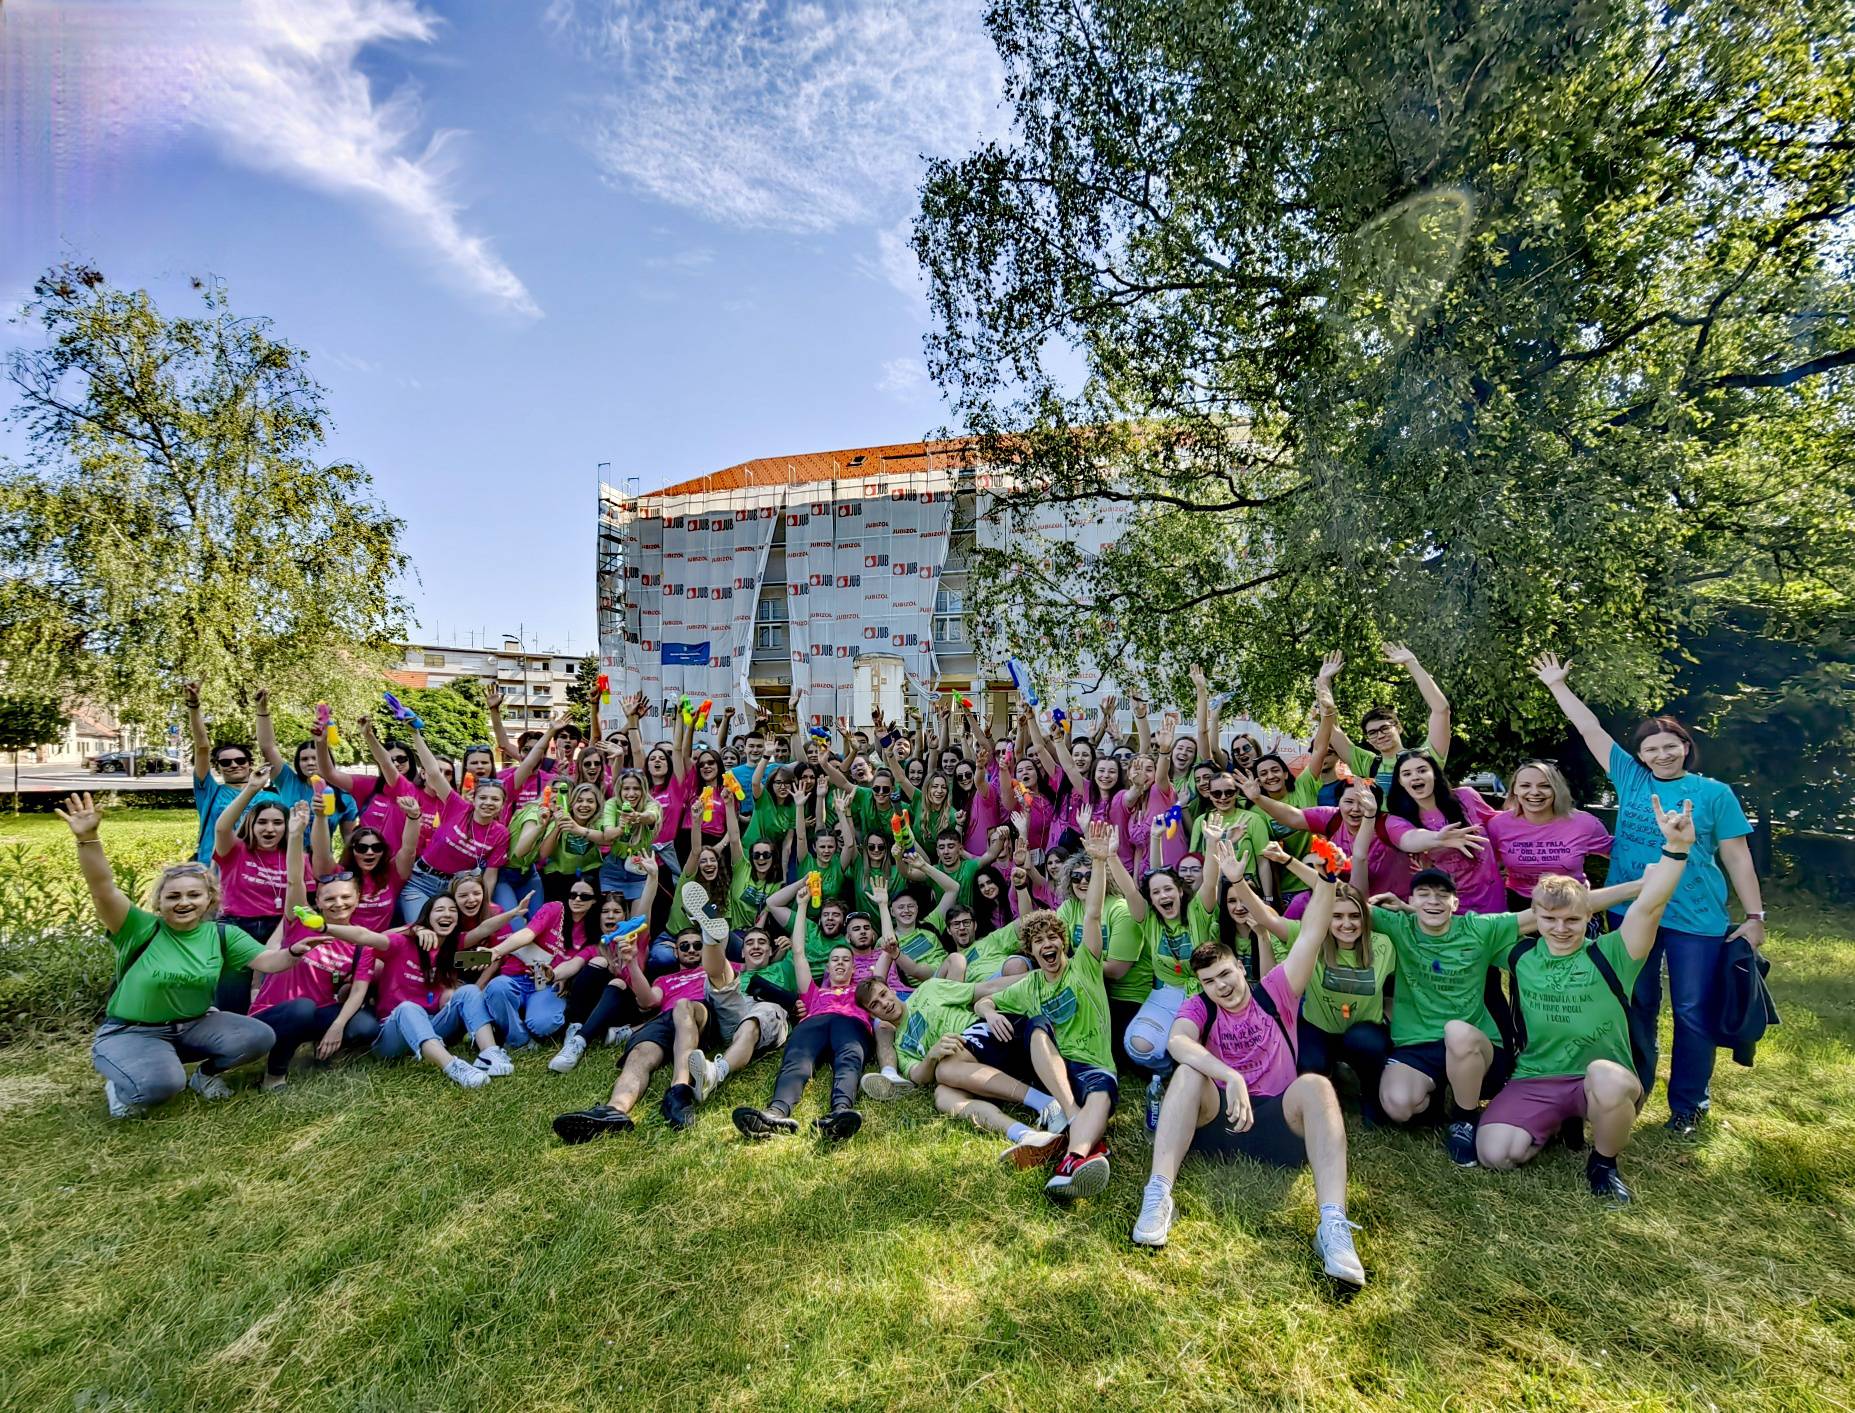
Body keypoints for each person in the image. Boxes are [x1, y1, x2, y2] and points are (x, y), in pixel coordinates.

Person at [1534, 654, 1766, 1136]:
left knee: (1692, 1010)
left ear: (1686, 747)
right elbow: (1590, 728)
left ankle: (1689, 1104)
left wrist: (1754, 916)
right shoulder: (1631, 778)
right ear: (1640, 756)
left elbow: (1737, 855)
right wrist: (1557, 685)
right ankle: (1632, 1093)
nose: (1661, 755)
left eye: (1670, 746)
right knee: (1636, 1004)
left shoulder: (1714, 793)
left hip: (1695, 918)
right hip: (1631, 911)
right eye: (1651, 748)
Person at [1130, 848, 1367, 1287]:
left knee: (1318, 1086)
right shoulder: (1200, 1006)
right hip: (1222, 1120)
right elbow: (1178, 1042)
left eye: (1225, 974)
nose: (1221, 986)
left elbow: (1312, 934)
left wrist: (1328, 880)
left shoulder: (1274, 991)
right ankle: (1158, 1193)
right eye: (1209, 981)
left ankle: (1333, 1225)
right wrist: (1229, 1075)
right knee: (1187, 1072)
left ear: (1240, 967)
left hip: (1278, 1123)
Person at [1477, 798, 1698, 1201]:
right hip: (1537, 1076)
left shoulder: (1612, 953)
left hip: (1600, 1080)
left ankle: (1603, 1163)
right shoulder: (1518, 954)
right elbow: (1469, 933)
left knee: (1605, 1079)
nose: (1560, 928)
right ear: (1535, 918)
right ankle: (1556, 1122)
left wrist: (1676, 849)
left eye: (1572, 919)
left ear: (1588, 916)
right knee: (1496, 1154)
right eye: (1549, 919)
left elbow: (1650, 906)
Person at [1370, 867, 1642, 1165]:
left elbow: (1561, 908)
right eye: (1423, 895)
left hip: (1471, 1045)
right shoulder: (1399, 926)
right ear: (1410, 900)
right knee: (1398, 1106)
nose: (1433, 901)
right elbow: (1349, 906)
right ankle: (1435, 1101)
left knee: (1457, 1032)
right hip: (1417, 1041)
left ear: (1456, 903)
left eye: (1442, 895)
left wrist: (1639, 887)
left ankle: (1465, 1119)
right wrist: (1340, 867)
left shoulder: (1480, 929)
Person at [61, 793, 310, 1117]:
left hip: (194, 1025)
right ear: (159, 901)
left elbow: (268, 961)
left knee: (258, 1036)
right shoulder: (137, 927)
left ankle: (204, 1076)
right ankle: (125, 1081)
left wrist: (293, 952)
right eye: (173, 896)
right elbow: (102, 888)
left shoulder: (221, 934)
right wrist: (88, 839)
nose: (184, 902)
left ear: (209, 900)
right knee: (161, 1086)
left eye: (194, 894)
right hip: (133, 1029)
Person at [975, 821, 1121, 1202]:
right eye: (1038, 941)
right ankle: (1075, 1120)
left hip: (1094, 1065)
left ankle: (1072, 1159)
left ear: (1063, 941)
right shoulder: (1030, 984)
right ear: (1032, 951)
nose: (1047, 945)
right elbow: (983, 1001)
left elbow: (1092, 915)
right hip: (1056, 1074)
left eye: (1053, 937)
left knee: (1102, 1096)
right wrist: (989, 1013)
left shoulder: (1085, 964)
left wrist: (1100, 861)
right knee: (1036, 1026)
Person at [247, 802, 384, 1088]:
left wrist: (337, 1027)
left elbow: (359, 990)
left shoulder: (360, 941)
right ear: (318, 901)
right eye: (330, 898)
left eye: (345, 897)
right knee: (302, 1009)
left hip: (320, 1010)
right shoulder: (302, 920)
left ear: (357, 899)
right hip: (277, 1010)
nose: (338, 903)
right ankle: (275, 1074)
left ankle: (322, 1048)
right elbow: (294, 880)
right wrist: (296, 835)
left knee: (365, 1025)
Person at [731, 883, 872, 1142]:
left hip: (850, 1023)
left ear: (854, 968)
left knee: (849, 1058)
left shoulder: (862, 991)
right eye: (835, 960)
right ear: (827, 967)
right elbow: (798, 952)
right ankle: (776, 1113)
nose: (840, 963)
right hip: (814, 1022)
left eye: (846, 960)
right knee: (796, 1060)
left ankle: (840, 1113)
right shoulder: (813, 991)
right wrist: (803, 905)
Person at [365, 893, 502, 1088]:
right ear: (427, 916)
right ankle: (453, 1066)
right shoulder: (401, 942)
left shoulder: (451, 948)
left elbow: (483, 931)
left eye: (452, 910)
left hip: (430, 1027)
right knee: (408, 1008)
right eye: (439, 909)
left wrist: (515, 912)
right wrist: (413, 928)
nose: (446, 914)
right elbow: (368, 938)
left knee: (470, 991)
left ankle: (490, 1055)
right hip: (393, 1033)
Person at [211, 765, 304, 1012]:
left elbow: (299, 893)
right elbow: (221, 828)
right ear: (251, 825)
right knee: (232, 996)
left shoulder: (295, 855)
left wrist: (280, 935)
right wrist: (252, 788)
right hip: (236, 925)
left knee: (273, 996)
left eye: (277, 823)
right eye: (262, 822)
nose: (269, 829)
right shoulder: (235, 850)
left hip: (278, 925)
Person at [1485, 760, 1613, 908]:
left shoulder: (1585, 823)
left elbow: (1620, 854)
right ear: (1514, 790)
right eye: (1525, 785)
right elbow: (1486, 864)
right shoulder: (1498, 825)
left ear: (1557, 789)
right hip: (1518, 904)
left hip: (1571, 904)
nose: (1534, 792)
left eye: (1545, 786)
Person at [1328, 644, 1453, 792]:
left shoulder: (1425, 758)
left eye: (1385, 728)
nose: (1380, 735)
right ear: (1368, 739)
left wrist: (1411, 663)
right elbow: (1332, 728)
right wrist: (1325, 682)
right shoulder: (1369, 764)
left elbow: (1441, 710)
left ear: (1398, 727)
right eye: (1372, 733)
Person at [183, 680, 254, 863]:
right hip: (212, 868)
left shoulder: (269, 798)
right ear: (217, 767)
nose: (234, 765)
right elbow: (202, 748)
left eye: (240, 760)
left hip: (250, 870)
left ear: (250, 764)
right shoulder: (209, 792)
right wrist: (193, 705)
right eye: (225, 762)